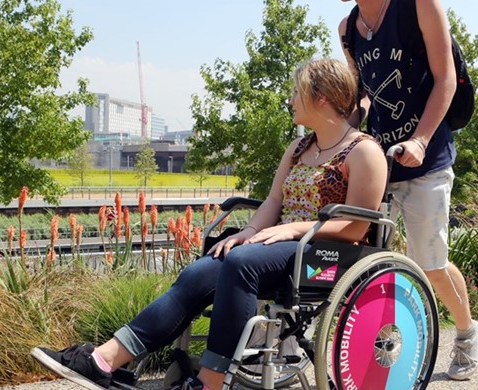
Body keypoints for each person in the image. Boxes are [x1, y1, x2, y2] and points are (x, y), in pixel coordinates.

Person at [30, 58, 387, 390]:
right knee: (201, 271)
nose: (291, 99)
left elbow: (355, 227)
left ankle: (211, 382)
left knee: (240, 263)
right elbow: (274, 202)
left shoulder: (363, 152)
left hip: (325, 254)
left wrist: (295, 229)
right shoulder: (298, 148)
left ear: (320, 97)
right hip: (278, 245)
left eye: (297, 92)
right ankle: (104, 360)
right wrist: (248, 231)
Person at [339, 0, 477, 380]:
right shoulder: (348, 29)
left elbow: (445, 77)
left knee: (429, 263)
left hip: (427, 157)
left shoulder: (419, 6)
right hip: (380, 161)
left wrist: (420, 139)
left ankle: (466, 333)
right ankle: (367, 344)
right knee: (358, 256)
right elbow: (363, 95)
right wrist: (343, 138)